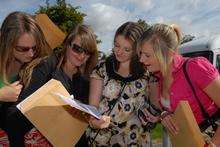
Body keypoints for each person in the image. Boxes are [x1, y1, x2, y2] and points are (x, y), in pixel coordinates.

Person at [5, 24, 98, 147]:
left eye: (87, 52)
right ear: (67, 44)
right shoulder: (47, 66)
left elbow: (79, 127)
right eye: (77, 49)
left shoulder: (83, 82)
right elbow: (17, 111)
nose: (82, 56)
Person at [138, 23, 220, 146]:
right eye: (141, 54)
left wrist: (214, 144)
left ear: (167, 53)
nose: (141, 60)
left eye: (147, 55)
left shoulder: (195, 67)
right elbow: (174, 110)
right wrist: (164, 115)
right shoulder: (159, 77)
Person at [86, 22, 160, 146]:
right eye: (116, 45)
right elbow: (92, 107)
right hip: (101, 140)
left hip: (134, 141)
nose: (119, 52)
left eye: (127, 49)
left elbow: (155, 109)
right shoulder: (102, 68)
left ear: (137, 50)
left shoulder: (148, 73)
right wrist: (93, 120)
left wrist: (155, 119)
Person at [0, 11, 51, 130]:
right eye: (23, 49)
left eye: (35, 47)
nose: (31, 54)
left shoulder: (35, 65)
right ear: (7, 43)